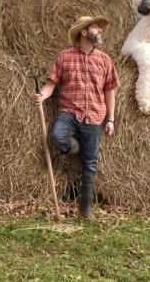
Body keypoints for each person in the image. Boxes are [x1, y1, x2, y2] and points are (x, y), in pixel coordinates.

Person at [32, 15, 120, 219]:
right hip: (69, 112)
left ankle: (86, 209)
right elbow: (51, 84)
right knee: (56, 136)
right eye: (96, 27)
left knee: (90, 162)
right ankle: (75, 148)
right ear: (83, 31)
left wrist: (111, 119)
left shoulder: (105, 60)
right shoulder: (64, 57)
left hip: (94, 115)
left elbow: (110, 91)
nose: (100, 31)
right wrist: (41, 96)